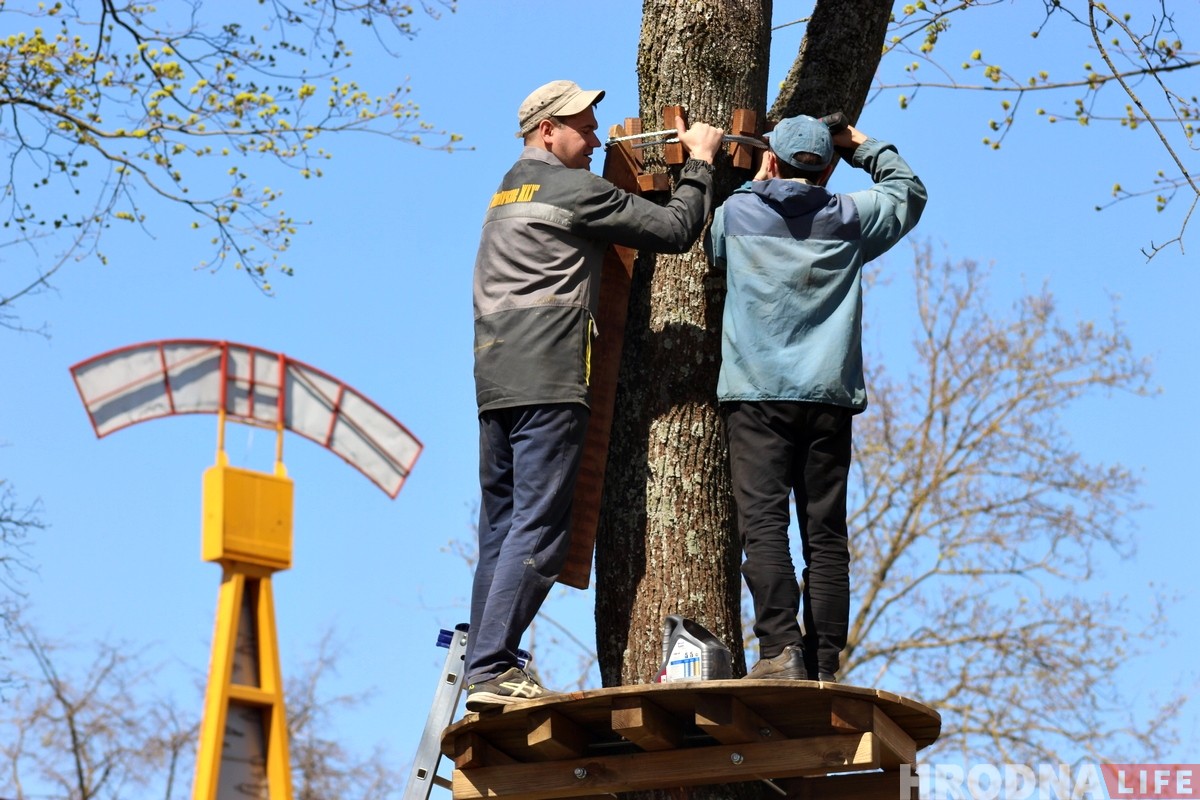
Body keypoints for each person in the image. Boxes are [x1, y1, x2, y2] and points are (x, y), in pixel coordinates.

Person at [466, 79, 725, 711]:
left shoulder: (508, 188)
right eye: (584, 127)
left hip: (494, 378)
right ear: (547, 131)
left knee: (500, 529)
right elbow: (673, 228)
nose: (594, 139)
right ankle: (494, 666)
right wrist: (699, 160)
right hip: (550, 374)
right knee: (541, 527)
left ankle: (482, 660)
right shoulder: (571, 188)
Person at [707, 115, 927, 682]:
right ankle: (826, 662)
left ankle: (781, 652)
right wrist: (861, 144)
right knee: (825, 535)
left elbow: (714, 249)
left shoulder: (737, 211)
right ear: (828, 166)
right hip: (828, 399)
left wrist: (758, 182)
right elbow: (909, 191)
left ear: (771, 160)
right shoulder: (852, 217)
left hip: (757, 395)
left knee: (764, 525)